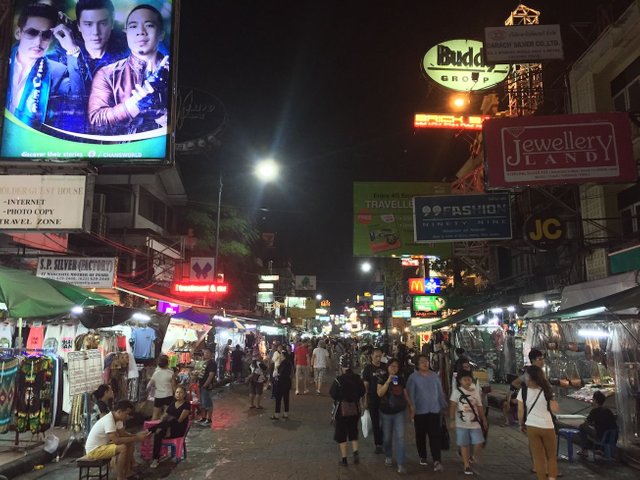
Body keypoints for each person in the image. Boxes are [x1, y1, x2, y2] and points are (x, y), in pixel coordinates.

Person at [48, 0, 128, 132]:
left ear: (112, 23)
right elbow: (78, 102)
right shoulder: (60, 55)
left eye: (102, 23)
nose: (95, 32)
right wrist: (72, 52)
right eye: (88, 24)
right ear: (78, 26)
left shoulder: (127, 55)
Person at [88, 4, 169, 134]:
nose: (140, 31)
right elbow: (96, 122)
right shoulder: (107, 74)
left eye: (149, 25)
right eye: (133, 26)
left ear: (161, 34)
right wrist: (134, 104)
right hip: (120, 153)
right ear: (126, 33)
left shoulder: (175, 74)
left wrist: (163, 116)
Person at [5, 3, 82, 129]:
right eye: (32, 32)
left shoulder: (57, 72)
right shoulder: (4, 62)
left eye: (46, 35)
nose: (38, 42)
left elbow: (80, 104)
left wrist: (72, 49)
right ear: (18, 33)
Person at [84, 400, 149, 480]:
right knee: (122, 448)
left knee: (129, 443)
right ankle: (120, 477)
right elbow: (116, 440)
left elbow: (124, 435)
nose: (128, 416)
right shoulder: (109, 420)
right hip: (94, 450)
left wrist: (138, 435)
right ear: (119, 411)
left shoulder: (118, 419)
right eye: (126, 413)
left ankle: (127, 471)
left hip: (103, 446)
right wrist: (137, 438)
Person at [406, 354, 448, 472]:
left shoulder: (434, 376)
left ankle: (436, 460)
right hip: (420, 411)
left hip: (434, 410)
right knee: (420, 435)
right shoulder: (413, 378)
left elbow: (440, 392)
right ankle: (423, 456)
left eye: (426, 361)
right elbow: (411, 395)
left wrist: (443, 405)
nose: (425, 364)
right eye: (422, 362)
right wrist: (412, 408)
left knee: (435, 435)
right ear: (417, 364)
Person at [517, 365, 560, 480]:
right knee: (551, 456)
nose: (525, 378)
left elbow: (520, 411)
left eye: (526, 375)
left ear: (530, 377)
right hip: (547, 426)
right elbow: (555, 409)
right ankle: (552, 478)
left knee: (538, 458)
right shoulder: (546, 390)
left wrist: (520, 424)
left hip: (531, 426)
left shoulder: (523, 391)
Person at [330, 354, 366, 467]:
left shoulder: (338, 379)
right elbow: (362, 391)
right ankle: (355, 453)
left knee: (342, 433)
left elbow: (333, 393)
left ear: (342, 367)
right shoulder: (357, 378)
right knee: (353, 430)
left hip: (342, 409)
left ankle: (344, 459)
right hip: (355, 408)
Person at [449, 370, 487, 475]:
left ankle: (473, 457)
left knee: (479, 442)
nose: (467, 381)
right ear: (460, 381)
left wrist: (483, 419)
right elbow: (452, 406)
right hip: (461, 423)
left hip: (475, 422)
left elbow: (479, 406)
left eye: (469, 379)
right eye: (464, 379)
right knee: (464, 444)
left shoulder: (475, 392)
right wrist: (452, 419)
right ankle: (466, 465)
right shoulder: (457, 392)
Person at [377, 358, 410, 474]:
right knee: (387, 438)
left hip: (399, 411)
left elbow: (405, 393)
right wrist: (388, 381)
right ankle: (388, 455)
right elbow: (380, 393)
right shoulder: (382, 377)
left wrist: (411, 406)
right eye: (392, 366)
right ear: (388, 367)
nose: (394, 368)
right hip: (386, 412)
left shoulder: (401, 378)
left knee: (400, 438)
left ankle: (401, 464)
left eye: (396, 366)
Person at [148, 385, 191, 468]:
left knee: (171, 420)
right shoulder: (172, 404)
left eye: (181, 392)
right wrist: (163, 417)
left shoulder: (186, 404)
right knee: (158, 432)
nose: (178, 394)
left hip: (178, 429)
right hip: (168, 428)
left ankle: (149, 430)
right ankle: (155, 459)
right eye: (177, 392)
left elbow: (180, 420)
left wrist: (167, 420)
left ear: (184, 394)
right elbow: (165, 416)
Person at [504, 349, 545, 426]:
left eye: (543, 359)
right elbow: (514, 383)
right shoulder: (529, 372)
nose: (542, 361)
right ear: (533, 360)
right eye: (539, 359)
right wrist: (523, 391)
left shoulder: (541, 372)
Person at [362, 347, 386, 453]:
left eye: (380, 356)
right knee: (375, 422)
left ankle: (384, 441)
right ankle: (378, 444)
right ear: (371, 356)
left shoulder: (385, 367)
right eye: (376, 356)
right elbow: (366, 385)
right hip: (373, 399)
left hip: (385, 399)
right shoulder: (368, 369)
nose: (378, 358)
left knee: (385, 422)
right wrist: (365, 400)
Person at [577, 391, 617, 457]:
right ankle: (602, 450)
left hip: (602, 436)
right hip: (613, 436)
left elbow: (586, 423)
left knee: (582, 427)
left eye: (593, 399)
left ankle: (584, 450)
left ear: (595, 401)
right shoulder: (608, 410)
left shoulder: (594, 411)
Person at [148, 355, 176, 420]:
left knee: (155, 414)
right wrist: (175, 394)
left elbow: (151, 384)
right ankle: (163, 427)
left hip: (158, 395)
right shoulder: (171, 373)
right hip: (168, 395)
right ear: (167, 364)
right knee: (166, 414)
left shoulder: (156, 373)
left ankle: (152, 428)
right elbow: (173, 385)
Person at [271, 346, 293, 420]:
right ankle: (286, 413)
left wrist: (276, 374)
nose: (280, 356)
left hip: (281, 383)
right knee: (286, 398)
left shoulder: (283, 364)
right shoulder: (289, 363)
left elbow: (280, 374)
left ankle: (277, 414)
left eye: (281, 355)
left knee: (278, 399)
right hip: (287, 383)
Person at [197, 347, 217, 426]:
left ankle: (209, 419)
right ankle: (203, 418)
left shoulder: (212, 363)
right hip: (201, 385)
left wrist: (205, 385)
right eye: (205, 352)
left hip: (206, 386)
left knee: (208, 403)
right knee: (202, 403)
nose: (206, 354)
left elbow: (211, 375)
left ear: (211, 354)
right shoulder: (204, 362)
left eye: (208, 353)